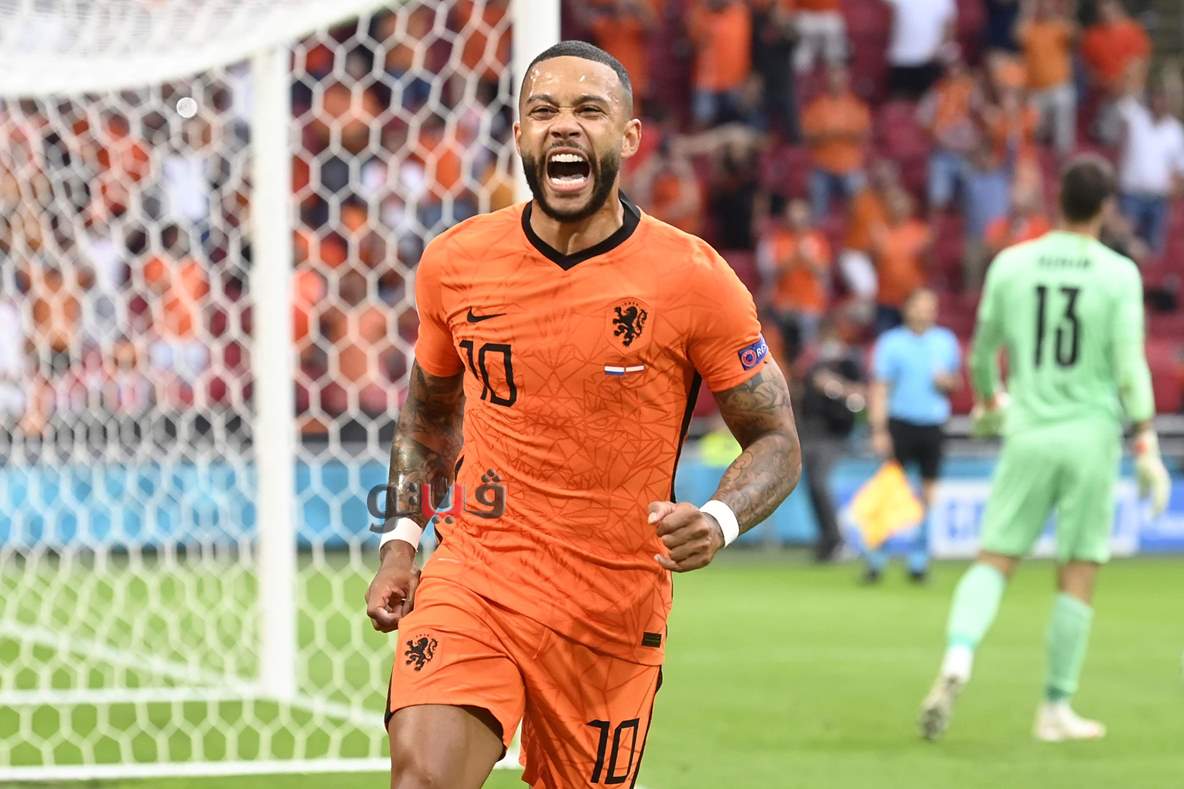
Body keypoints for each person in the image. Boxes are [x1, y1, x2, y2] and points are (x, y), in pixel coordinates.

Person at [365, 41, 802, 788]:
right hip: (477, 578)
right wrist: (402, 542)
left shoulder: (694, 278)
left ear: (628, 138)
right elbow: (428, 417)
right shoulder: (456, 262)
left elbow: (777, 440)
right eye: (544, 110)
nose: (564, 125)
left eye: (588, 110)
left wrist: (720, 519)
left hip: (611, 611)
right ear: (520, 136)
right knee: (423, 780)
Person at [918, 155, 1170, 742]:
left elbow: (983, 351)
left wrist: (989, 401)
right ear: (1106, 207)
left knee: (994, 560)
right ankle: (1055, 708)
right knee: (1078, 573)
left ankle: (958, 657)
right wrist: (1146, 441)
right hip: (1090, 438)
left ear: (1059, 200)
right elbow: (1130, 366)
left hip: (1027, 431)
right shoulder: (1118, 273)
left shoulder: (1013, 264)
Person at [865, 288, 961, 584]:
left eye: (930, 307)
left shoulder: (945, 341)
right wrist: (879, 429)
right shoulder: (891, 343)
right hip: (900, 423)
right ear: (907, 309)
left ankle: (918, 561)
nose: (924, 312)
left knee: (928, 494)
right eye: (919, 306)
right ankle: (876, 559)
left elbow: (956, 383)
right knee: (889, 490)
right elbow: (880, 387)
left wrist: (947, 383)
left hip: (933, 424)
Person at [794, 315, 865, 561]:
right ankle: (826, 541)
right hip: (811, 432)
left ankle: (837, 539)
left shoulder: (848, 363)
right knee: (811, 486)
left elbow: (861, 396)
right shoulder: (812, 365)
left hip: (835, 434)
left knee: (820, 484)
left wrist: (834, 386)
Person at [759, 197, 831, 363]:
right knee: (777, 332)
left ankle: (806, 366)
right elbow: (770, 273)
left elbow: (823, 272)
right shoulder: (776, 240)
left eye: (801, 217)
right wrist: (794, 258)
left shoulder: (817, 240)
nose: (797, 221)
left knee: (808, 335)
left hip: (810, 303)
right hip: (783, 302)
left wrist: (807, 259)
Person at [1116, 80, 1184, 256]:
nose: (1161, 102)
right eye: (1158, 97)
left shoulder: (1176, 130)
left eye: (1166, 99)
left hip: (1158, 200)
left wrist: (1175, 192)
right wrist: (1135, 75)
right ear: (1151, 98)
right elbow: (1123, 97)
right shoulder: (1136, 118)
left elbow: (1179, 168)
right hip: (1131, 195)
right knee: (1124, 244)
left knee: (1154, 249)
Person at [802, 64, 871, 219]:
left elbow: (861, 136)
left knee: (861, 204)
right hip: (822, 166)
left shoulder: (856, 105)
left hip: (850, 165)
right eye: (833, 79)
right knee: (816, 212)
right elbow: (809, 138)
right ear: (827, 81)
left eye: (840, 79)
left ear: (846, 81)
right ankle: (818, 232)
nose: (836, 83)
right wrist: (838, 133)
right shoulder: (816, 107)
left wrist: (831, 133)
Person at [1017, 0, 1078, 156]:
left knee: (1064, 104)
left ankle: (1063, 156)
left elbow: (1075, 36)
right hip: (1035, 90)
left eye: (1048, 6)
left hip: (1059, 86)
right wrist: (1027, 11)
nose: (1045, 9)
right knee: (1033, 129)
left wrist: (1067, 13)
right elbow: (1017, 35)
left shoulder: (1060, 27)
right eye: (1041, 6)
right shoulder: (1031, 28)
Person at [885, 0, 957, 100]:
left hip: (929, 61)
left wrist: (940, 51)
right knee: (900, 103)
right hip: (901, 60)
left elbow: (948, 28)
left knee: (928, 103)